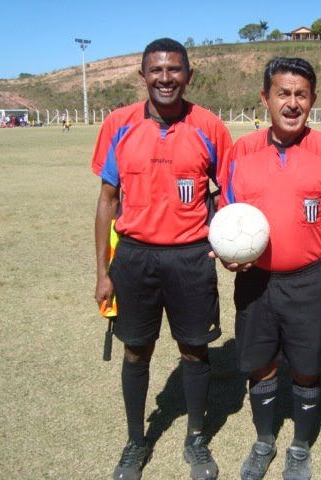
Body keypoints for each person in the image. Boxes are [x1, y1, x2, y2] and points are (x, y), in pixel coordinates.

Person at [92, 38, 233, 480]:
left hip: (191, 257)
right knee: (136, 350)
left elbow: (226, 193)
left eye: (174, 70)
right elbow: (107, 200)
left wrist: (225, 238)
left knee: (194, 350)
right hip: (134, 257)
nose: (165, 78)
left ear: (189, 75)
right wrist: (102, 272)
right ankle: (136, 441)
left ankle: (196, 440)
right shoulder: (118, 124)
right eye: (156, 70)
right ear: (143, 75)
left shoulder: (210, 126)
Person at [217, 57, 321, 480]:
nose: (292, 103)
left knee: (308, 368)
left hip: (310, 281)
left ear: (312, 99)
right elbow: (227, 218)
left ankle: (299, 447)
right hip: (255, 282)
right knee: (261, 363)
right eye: (283, 94)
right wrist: (227, 254)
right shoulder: (242, 151)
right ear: (265, 98)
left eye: (301, 95)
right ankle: (264, 440)